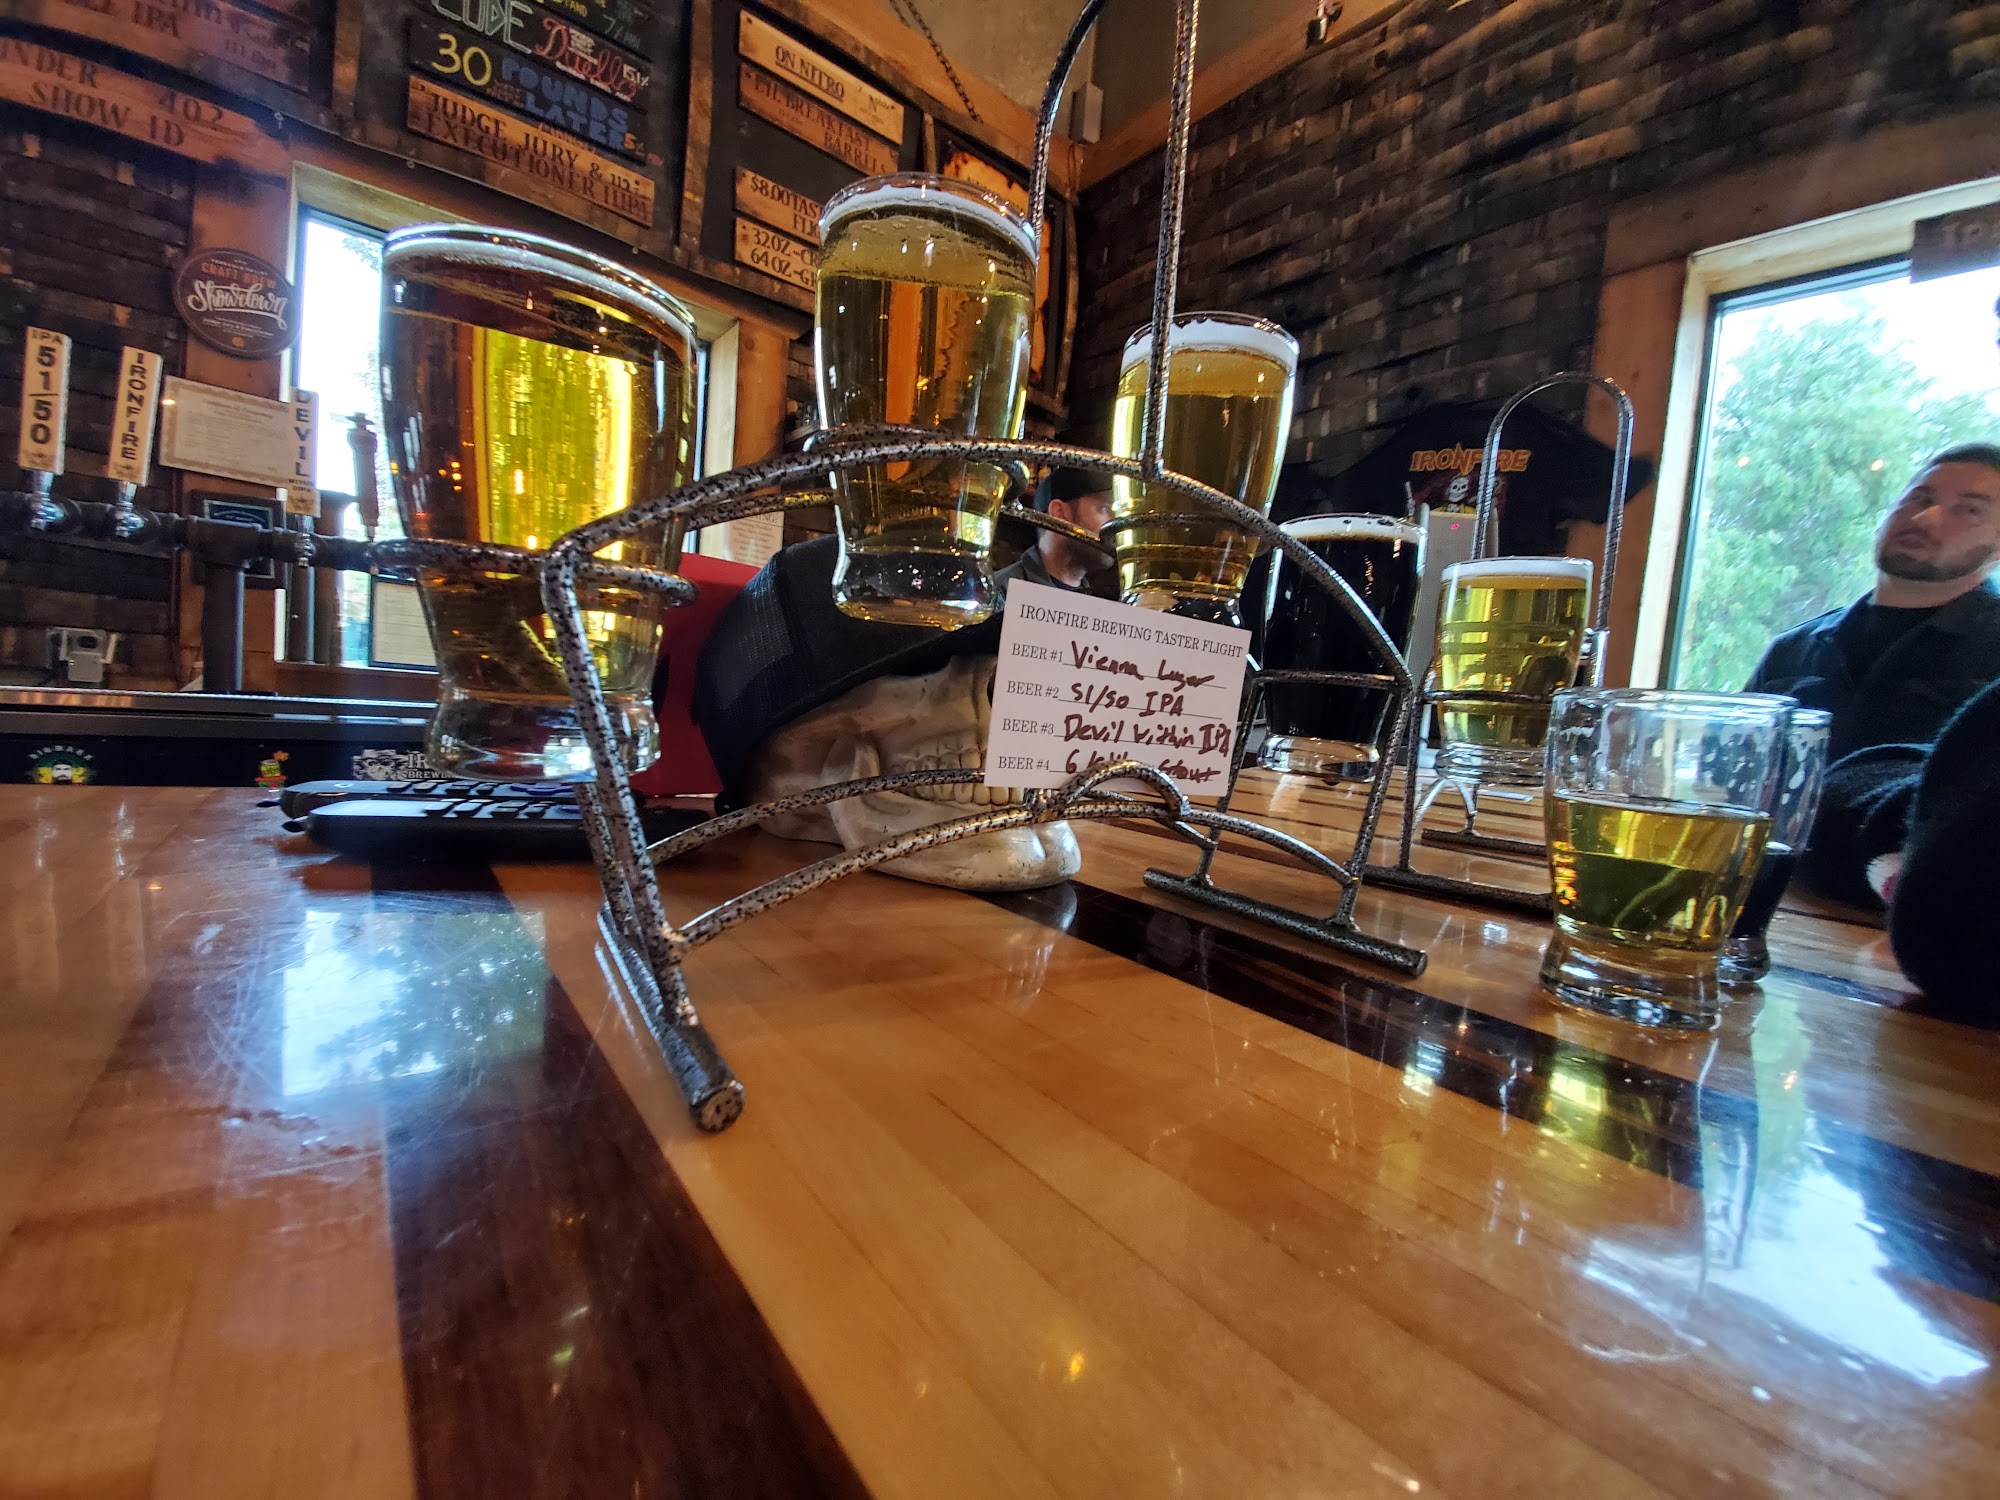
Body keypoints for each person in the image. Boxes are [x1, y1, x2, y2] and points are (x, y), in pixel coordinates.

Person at [1743, 444, 2000, 759]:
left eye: (1969, 510)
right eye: (1919, 498)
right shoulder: (1793, 649)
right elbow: (1732, 769)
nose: (1925, 517)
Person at [993, 466, 1115, 595]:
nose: (1116, 522)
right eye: (1105, 509)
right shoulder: (999, 594)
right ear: (1059, 512)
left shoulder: (1096, 602)